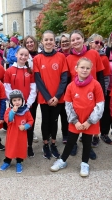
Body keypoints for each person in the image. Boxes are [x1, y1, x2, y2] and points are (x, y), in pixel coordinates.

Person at [50, 58, 104, 177]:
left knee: (87, 142)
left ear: (91, 69)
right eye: (82, 67)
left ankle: (84, 163)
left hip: (90, 120)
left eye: (87, 68)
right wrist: (75, 121)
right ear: (76, 69)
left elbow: (100, 105)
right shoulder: (70, 86)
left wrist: (90, 121)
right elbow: (68, 105)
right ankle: (62, 160)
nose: (85, 70)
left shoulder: (96, 85)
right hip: (76, 121)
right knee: (70, 141)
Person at [66, 30, 105, 157]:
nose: (75, 41)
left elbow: (100, 74)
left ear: (83, 39)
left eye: (78, 38)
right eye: (73, 40)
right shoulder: (69, 58)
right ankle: (74, 144)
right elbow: (67, 79)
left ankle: (88, 148)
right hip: (76, 96)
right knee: (76, 121)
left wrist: (102, 94)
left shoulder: (93, 53)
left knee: (89, 122)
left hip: (91, 95)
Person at [33, 30, 68, 159]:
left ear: (55, 42)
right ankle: (45, 144)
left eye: (51, 39)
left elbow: (64, 79)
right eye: (46, 40)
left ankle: (53, 142)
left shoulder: (61, 57)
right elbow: (38, 80)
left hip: (58, 98)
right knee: (45, 121)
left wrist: (57, 96)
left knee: (54, 121)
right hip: (44, 98)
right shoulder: (37, 58)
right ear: (42, 42)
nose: (48, 42)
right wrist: (48, 97)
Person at [4, 47, 37, 157]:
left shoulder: (29, 71)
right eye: (21, 54)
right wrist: (14, 103)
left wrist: (28, 103)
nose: (23, 57)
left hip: (28, 105)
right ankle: (14, 149)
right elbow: (7, 88)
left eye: (26, 55)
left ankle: (29, 146)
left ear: (28, 57)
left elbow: (33, 88)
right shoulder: (9, 71)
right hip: (14, 106)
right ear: (16, 55)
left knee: (28, 125)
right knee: (15, 127)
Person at [0, 89, 34, 173]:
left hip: (21, 135)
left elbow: (31, 121)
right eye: (14, 100)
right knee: (10, 148)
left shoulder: (26, 111)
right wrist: (13, 112)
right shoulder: (9, 110)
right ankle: (7, 161)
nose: (17, 102)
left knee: (20, 148)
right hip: (12, 134)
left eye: (19, 100)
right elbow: (9, 119)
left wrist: (25, 126)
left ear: (22, 100)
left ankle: (19, 162)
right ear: (11, 102)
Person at [87, 33, 112, 148]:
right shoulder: (86, 55)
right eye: (96, 42)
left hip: (98, 89)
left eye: (101, 43)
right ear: (90, 42)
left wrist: (103, 91)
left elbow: (106, 76)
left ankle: (96, 136)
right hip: (86, 89)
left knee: (97, 113)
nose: (99, 45)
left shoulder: (104, 57)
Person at [22, 35, 40, 143]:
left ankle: (31, 130)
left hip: (39, 88)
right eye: (27, 42)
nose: (30, 44)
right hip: (27, 88)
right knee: (27, 111)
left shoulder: (41, 54)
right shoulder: (23, 56)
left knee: (34, 111)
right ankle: (28, 132)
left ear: (35, 43)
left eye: (31, 42)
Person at [57, 33, 72, 144]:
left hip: (72, 85)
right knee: (62, 111)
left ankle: (71, 134)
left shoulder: (74, 54)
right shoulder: (58, 55)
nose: (65, 43)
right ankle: (65, 134)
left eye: (67, 41)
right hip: (60, 85)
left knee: (69, 112)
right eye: (63, 42)